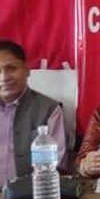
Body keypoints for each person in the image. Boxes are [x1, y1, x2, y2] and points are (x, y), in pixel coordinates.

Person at [0, 40, 67, 187]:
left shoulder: (49, 109)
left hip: (32, 195)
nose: (4, 77)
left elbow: (57, 164)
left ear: (27, 69)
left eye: (11, 68)